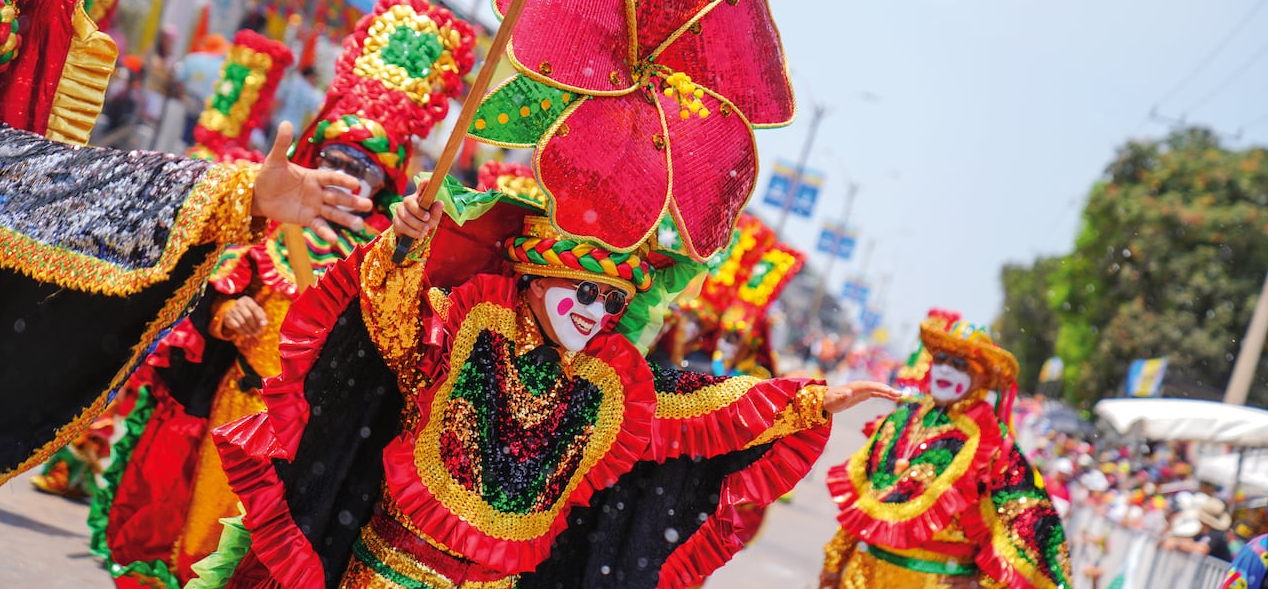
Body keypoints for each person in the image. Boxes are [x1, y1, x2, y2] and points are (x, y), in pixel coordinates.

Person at [184, 183, 899, 589]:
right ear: (533, 279)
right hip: (386, 575)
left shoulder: (606, 387)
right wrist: (404, 242)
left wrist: (812, 398)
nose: (594, 314)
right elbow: (390, 312)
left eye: (611, 302)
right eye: (580, 292)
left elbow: (691, 404)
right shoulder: (459, 333)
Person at [90, 0, 477, 588]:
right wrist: (227, 312)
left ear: (387, 183)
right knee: (199, 545)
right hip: (238, 407)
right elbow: (206, 297)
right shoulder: (272, 223)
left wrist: (408, 245)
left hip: (310, 437)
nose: (347, 178)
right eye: (337, 159)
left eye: (365, 170)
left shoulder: (382, 256)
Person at [0, 120, 374, 494]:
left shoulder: (374, 255)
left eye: (357, 169)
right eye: (333, 159)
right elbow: (33, 181)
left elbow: (47, 178)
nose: (341, 173)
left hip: (299, 425)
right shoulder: (279, 235)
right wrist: (227, 307)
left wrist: (243, 195)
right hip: (233, 394)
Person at [818, 317, 1072, 589]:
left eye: (960, 364)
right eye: (942, 360)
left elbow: (1029, 526)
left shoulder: (994, 443)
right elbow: (861, 503)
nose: (947, 370)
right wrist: (833, 564)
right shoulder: (901, 419)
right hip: (861, 576)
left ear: (982, 377)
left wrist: (981, 583)